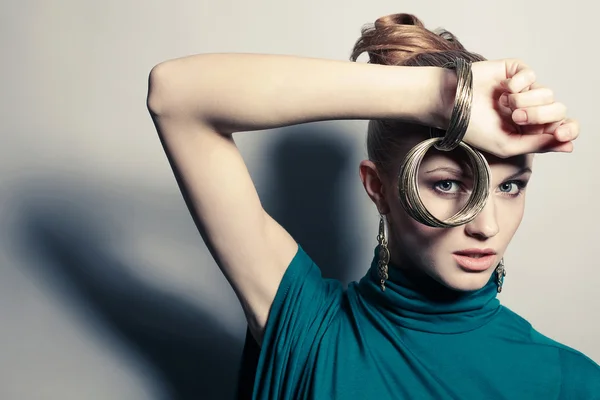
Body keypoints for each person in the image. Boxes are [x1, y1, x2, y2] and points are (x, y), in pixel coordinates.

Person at [145, 12, 600, 400]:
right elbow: (174, 94)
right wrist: (442, 97)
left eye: (510, 187)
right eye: (446, 184)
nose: (486, 225)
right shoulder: (309, 328)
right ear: (377, 187)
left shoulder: (571, 382)